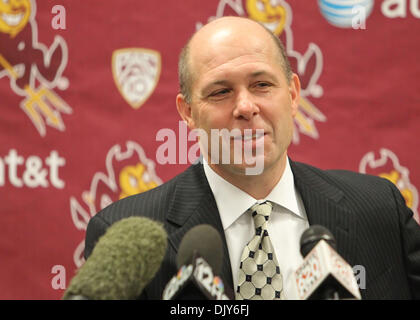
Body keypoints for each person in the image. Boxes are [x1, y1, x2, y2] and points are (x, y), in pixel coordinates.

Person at [84, 16, 420, 299]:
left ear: (292, 94)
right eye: (221, 92)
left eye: (261, 85)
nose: (245, 107)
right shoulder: (124, 233)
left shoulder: (379, 209)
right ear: (187, 112)